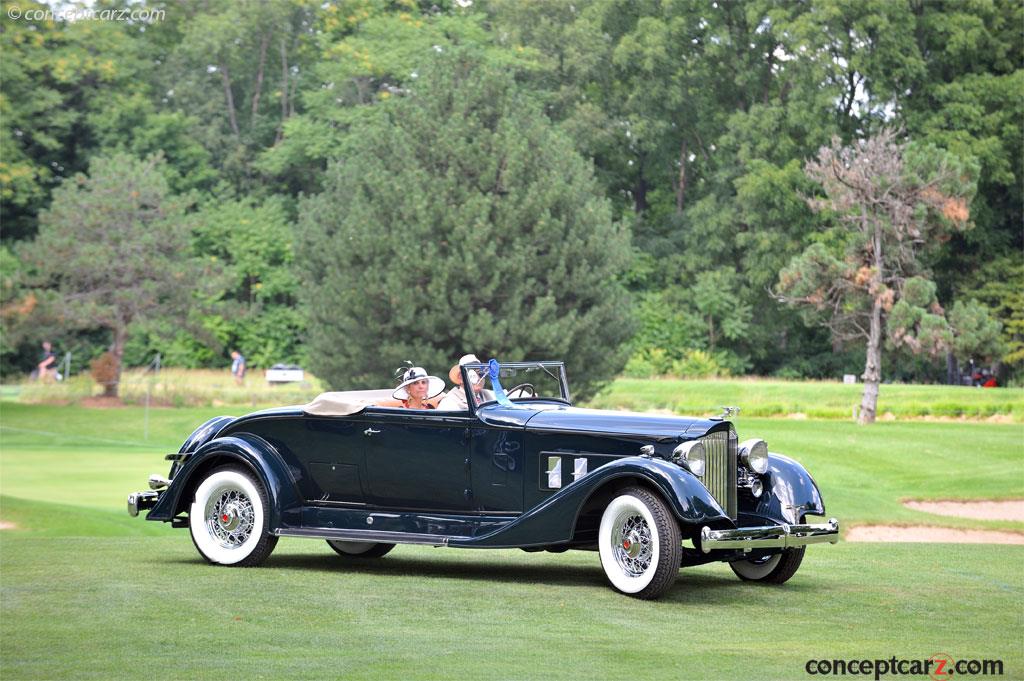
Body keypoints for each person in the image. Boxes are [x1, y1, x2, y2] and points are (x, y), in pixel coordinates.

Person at [381, 366, 445, 409]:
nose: (421, 386)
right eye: (415, 383)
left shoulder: (431, 409)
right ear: (407, 388)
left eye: (423, 382)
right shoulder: (401, 412)